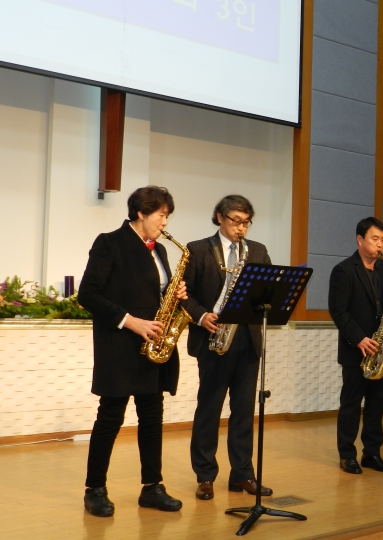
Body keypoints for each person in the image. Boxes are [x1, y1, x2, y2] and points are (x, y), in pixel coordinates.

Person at [78, 185, 186, 517]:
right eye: (161, 215)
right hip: (120, 344)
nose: (165, 223)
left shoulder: (160, 251)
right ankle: (95, 489)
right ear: (141, 212)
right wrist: (130, 321)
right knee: (110, 417)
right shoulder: (109, 243)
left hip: (153, 345)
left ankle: (152, 487)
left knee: (152, 416)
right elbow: (88, 294)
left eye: (167, 217)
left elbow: (153, 292)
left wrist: (175, 293)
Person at [181, 195, 272, 501]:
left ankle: (242, 474)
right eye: (235, 221)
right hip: (213, 337)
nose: (241, 228)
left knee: (244, 411)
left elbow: (268, 291)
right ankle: (205, 476)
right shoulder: (198, 249)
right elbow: (184, 295)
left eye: (246, 222)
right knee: (209, 410)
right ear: (220, 217)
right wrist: (202, 315)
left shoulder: (257, 251)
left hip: (247, 339)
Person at [328, 217, 383, 474]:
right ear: (360, 239)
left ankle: (372, 453)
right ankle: (347, 455)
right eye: (375, 239)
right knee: (351, 404)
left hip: (380, 348)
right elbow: (338, 311)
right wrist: (359, 338)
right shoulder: (343, 270)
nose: (380, 244)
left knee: (377, 403)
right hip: (356, 349)